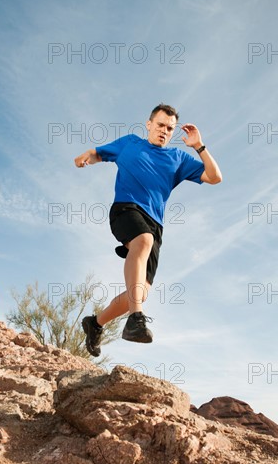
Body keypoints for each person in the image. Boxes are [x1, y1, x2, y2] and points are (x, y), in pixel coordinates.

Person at [73, 104, 222, 357]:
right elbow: (101, 153)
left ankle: (95, 323)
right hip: (125, 209)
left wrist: (199, 146)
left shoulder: (178, 158)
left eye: (170, 128)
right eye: (161, 125)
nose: (164, 131)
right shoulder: (130, 143)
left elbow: (214, 177)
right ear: (149, 124)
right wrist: (87, 155)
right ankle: (136, 318)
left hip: (156, 223)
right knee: (143, 241)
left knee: (141, 289)